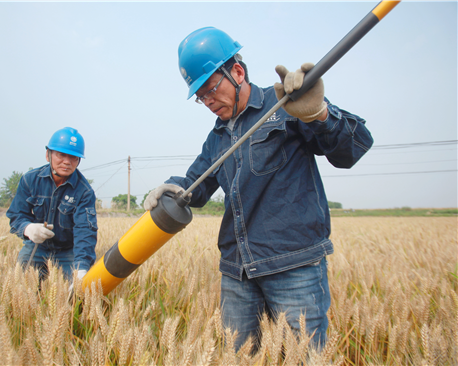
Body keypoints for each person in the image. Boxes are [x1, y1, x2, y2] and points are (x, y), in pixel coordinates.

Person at [144, 27, 374, 351]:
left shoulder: (286, 105)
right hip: (237, 273)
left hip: (292, 266)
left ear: (236, 71)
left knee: (304, 357)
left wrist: (319, 114)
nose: (208, 101)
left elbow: (354, 148)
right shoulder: (218, 137)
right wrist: (171, 188)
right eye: (201, 96)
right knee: (237, 357)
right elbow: (196, 186)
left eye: (210, 88)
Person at [7, 127, 98, 284]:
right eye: (61, 155)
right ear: (48, 154)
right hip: (37, 246)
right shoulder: (30, 180)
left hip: (67, 251)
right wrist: (27, 228)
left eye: (73, 157)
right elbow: (16, 215)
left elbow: (85, 231)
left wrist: (82, 268)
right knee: (22, 287)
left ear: (79, 161)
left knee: (78, 294)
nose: (67, 162)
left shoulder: (84, 191)